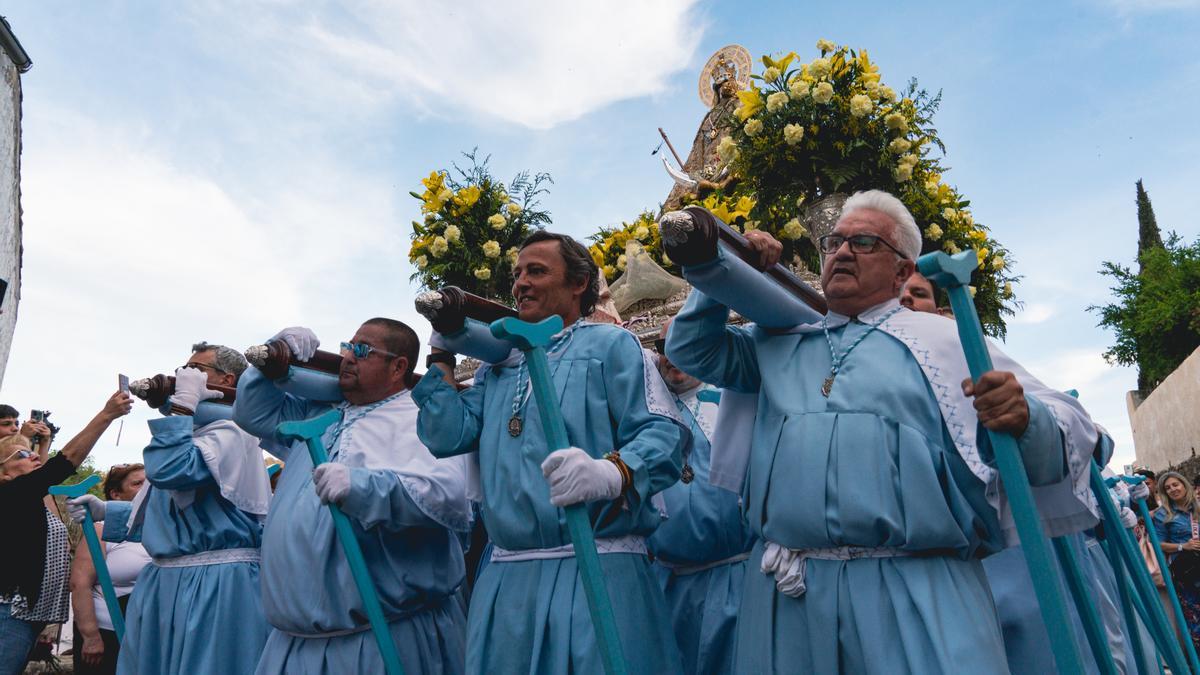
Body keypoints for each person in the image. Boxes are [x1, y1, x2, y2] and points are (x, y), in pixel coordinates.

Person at [666, 190, 1101, 673]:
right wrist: (717, 269)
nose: (843, 252)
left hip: (916, 590)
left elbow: (1076, 431)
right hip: (790, 596)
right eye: (834, 243)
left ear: (902, 271)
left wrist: (1024, 418)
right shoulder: (778, 342)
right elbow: (692, 352)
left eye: (865, 242)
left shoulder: (946, 340)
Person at [414, 230, 687, 674]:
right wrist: (441, 359)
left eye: (537, 271)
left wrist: (613, 472)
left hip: (599, 565)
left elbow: (663, 436)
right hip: (507, 580)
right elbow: (446, 436)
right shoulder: (497, 368)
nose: (521, 283)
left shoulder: (612, 346)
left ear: (579, 284)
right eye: (517, 273)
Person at [233, 318, 471, 674]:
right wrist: (271, 358)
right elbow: (252, 412)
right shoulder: (321, 411)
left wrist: (363, 488)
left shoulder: (420, 416)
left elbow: (449, 499)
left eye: (362, 351)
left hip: (379, 638)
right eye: (348, 346)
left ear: (398, 367)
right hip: (293, 644)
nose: (347, 357)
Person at [69, 342, 272, 675]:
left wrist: (182, 408)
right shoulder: (195, 434)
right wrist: (108, 511)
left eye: (196, 370)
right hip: (170, 579)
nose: (183, 376)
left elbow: (170, 471)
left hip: (215, 582)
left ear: (228, 381)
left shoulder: (233, 432)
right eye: (183, 368)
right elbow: (169, 509)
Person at [646, 319, 753, 674]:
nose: (671, 355)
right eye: (662, 348)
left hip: (740, 580)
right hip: (672, 588)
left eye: (681, 343)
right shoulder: (646, 417)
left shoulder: (733, 402)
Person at [0, 391, 132, 675]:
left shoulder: (26, 497)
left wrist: (41, 448)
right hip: (7, 614)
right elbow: (65, 463)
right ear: (4, 473)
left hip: (25, 616)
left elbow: (48, 490)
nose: (32, 456)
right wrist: (107, 415)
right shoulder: (9, 493)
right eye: (22, 454)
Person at [70, 464, 150, 675]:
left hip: (147, 633)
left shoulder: (161, 528)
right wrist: (90, 636)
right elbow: (80, 583)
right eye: (137, 483)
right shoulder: (101, 529)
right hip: (107, 631)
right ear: (116, 494)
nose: (145, 488)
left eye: (148, 482)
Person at [1153, 471, 1200, 653]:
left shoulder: (1197, 506)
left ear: (1184, 484)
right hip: (1187, 573)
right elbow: (1157, 544)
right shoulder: (1163, 514)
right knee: (1195, 619)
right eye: (1167, 488)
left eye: (1175, 484)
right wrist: (1183, 546)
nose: (1172, 489)